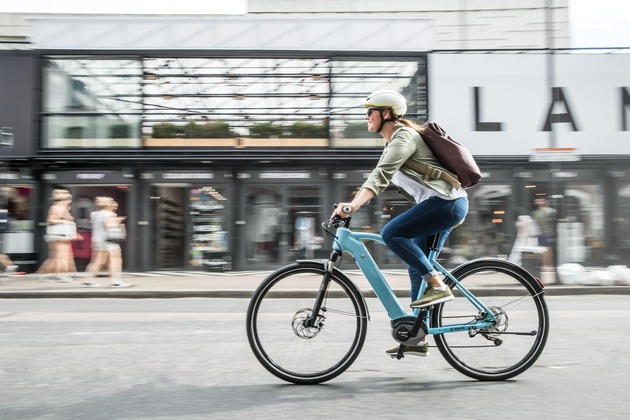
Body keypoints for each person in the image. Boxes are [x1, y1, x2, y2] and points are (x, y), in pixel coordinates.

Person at [331, 90, 469, 357]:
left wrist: (353, 205)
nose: (365, 116)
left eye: (369, 111)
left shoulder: (403, 137)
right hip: (441, 204)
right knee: (416, 266)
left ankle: (437, 285)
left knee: (392, 233)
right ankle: (419, 335)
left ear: (386, 114)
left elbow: (380, 175)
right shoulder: (393, 142)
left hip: (447, 203)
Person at [83, 197, 131, 288]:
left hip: (97, 239)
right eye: (111, 202)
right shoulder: (110, 214)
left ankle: (88, 280)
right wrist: (118, 221)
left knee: (97, 261)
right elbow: (108, 226)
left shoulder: (94, 214)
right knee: (116, 260)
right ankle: (116, 281)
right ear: (107, 204)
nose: (113, 204)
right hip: (109, 240)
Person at [37, 189, 80, 282]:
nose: (70, 200)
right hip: (58, 234)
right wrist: (64, 221)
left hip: (61, 234)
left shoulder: (61, 208)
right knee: (61, 256)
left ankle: (45, 274)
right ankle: (62, 275)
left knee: (59, 256)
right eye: (68, 198)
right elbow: (50, 220)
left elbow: (69, 219)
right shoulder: (56, 208)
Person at [531, 198, 556, 270]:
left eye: (539, 200)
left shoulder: (540, 212)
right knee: (546, 249)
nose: (537, 202)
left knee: (546, 249)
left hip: (546, 232)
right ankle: (547, 264)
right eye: (536, 200)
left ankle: (547, 265)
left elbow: (534, 222)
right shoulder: (537, 212)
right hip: (543, 232)